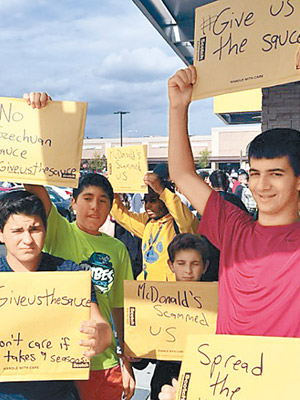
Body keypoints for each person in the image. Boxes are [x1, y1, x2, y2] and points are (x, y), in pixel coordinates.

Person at [159, 65, 300, 398]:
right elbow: (182, 174)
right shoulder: (233, 227)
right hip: (224, 384)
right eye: (255, 173)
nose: (261, 185)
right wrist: (178, 107)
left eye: (276, 174)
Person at [23, 89, 135, 400]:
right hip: (57, 359)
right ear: (72, 203)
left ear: (111, 207)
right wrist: (37, 117)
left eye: (103, 201)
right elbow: (33, 182)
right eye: (87, 198)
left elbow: (119, 307)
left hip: (105, 365)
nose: (94, 207)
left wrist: (124, 360)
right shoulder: (57, 229)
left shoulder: (118, 250)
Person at [0, 190, 111, 400]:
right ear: (1, 233)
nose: (27, 239)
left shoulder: (70, 273)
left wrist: (99, 336)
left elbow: (101, 326)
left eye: (35, 229)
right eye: (17, 231)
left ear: (45, 229)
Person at [149, 233, 209, 400]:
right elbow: (144, 356)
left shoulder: (217, 302)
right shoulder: (156, 302)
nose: (188, 271)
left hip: (203, 376)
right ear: (171, 265)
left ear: (205, 266)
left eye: (195, 264)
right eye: (181, 263)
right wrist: (135, 356)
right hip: (164, 378)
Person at [110, 171, 199, 281]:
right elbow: (121, 215)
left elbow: (188, 222)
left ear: (164, 200)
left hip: (171, 292)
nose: (148, 206)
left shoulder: (179, 223)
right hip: (147, 290)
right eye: (145, 201)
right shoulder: (147, 222)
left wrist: (162, 191)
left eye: (153, 200)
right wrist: (113, 192)